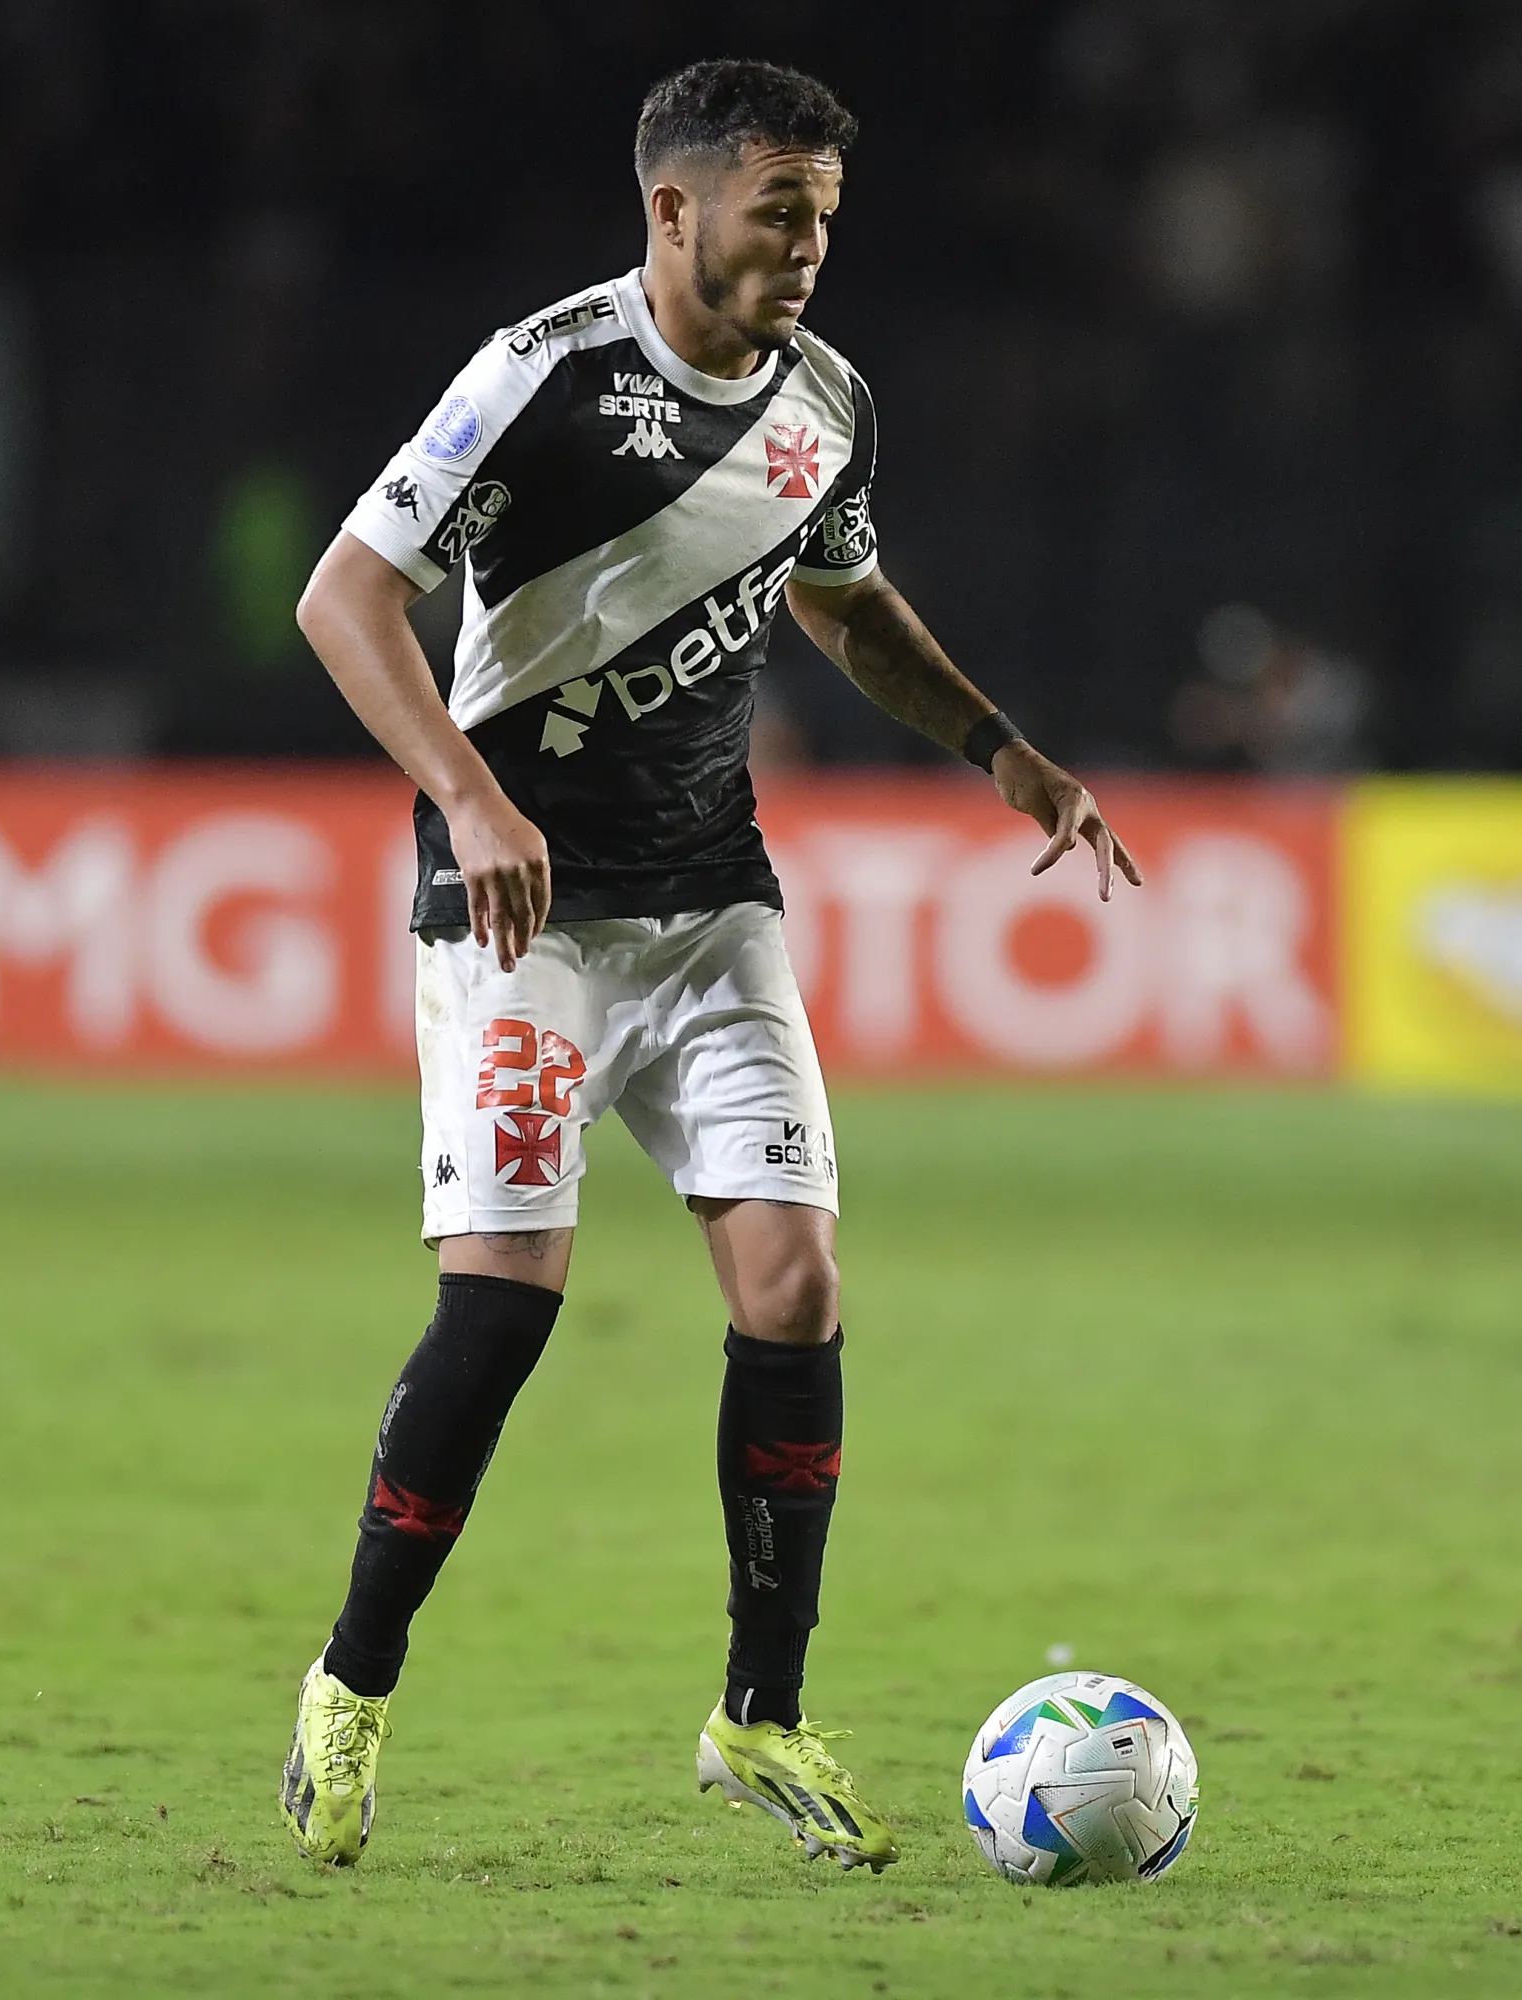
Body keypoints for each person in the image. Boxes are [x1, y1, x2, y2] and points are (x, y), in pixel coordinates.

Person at [281, 57, 1139, 1875]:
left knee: (797, 1287)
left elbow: (841, 602)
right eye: (779, 212)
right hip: (523, 911)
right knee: (504, 1306)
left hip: (710, 903)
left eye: (827, 214)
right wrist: (470, 797)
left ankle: (761, 1717)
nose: (813, 247)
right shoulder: (540, 381)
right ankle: (351, 1686)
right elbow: (345, 598)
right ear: (673, 212)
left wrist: (1005, 752)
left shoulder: (827, 399)